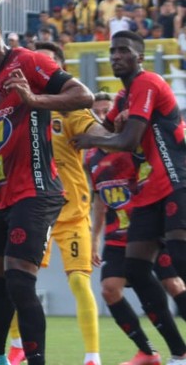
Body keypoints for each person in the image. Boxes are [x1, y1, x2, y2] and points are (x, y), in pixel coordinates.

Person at [0, 5, 93, 365]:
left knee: (18, 280)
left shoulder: (27, 62)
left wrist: (35, 99)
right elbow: (2, 140)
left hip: (36, 190)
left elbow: (82, 95)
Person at [74, 31, 186, 365]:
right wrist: (78, 132)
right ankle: (178, 353)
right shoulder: (123, 97)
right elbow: (105, 133)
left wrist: (90, 138)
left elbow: (124, 140)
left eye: (124, 50)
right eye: (113, 51)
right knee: (136, 270)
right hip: (149, 193)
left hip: (177, 179)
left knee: (180, 259)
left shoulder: (148, 82)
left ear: (139, 56)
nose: (117, 55)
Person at [5, 41, 100, 365]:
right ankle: (17, 348)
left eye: (50, 65)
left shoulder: (70, 109)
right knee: (18, 278)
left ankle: (92, 356)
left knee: (77, 280)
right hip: (34, 210)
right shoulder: (22, 107)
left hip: (72, 211)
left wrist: (105, 133)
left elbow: (96, 130)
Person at [85, 142, 168, 365]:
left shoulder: (137, 144)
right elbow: (100, 200)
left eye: (106, 110)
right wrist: (94, 239)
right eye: (98, 112)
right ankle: (148, 353)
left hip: (149, 233)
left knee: (174, 285)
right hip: (116, 237)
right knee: (110, 289)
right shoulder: (91, 156)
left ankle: (179, 350)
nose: (102, 116)